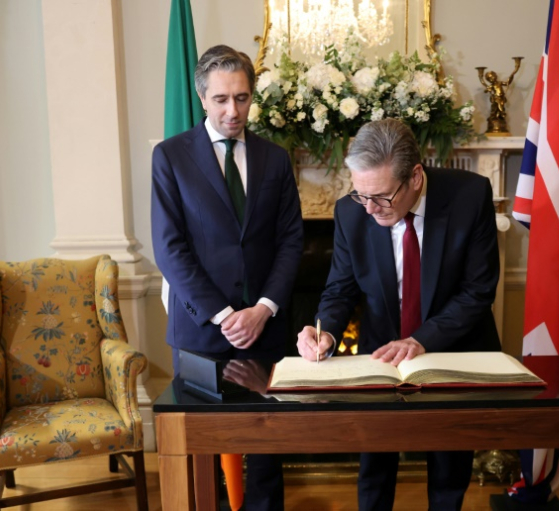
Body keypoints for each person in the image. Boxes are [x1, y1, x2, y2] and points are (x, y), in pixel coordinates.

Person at [296, 118, 501, 511]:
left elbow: (477, 292)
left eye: (382, 197)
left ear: (416, 177)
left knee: (447, 475)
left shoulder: (469, 196)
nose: (370, 209)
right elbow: (341, 288)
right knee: (374, 470)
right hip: (382, 355)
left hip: (452, 349)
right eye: (361, 194)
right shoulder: (351, 212)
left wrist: (421, 339)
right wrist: (327, 333)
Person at [152, 44, 303, 511]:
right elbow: (169, 248)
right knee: (200, 457)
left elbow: (291, 241)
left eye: (241, 97)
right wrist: (223, 315)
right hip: (200, 331)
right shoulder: (170, 157)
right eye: (221, 99)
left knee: (264, 454)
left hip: (264, 329)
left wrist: (263, 309)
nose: (233, 110)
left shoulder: (275, 159)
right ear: (202, 98)